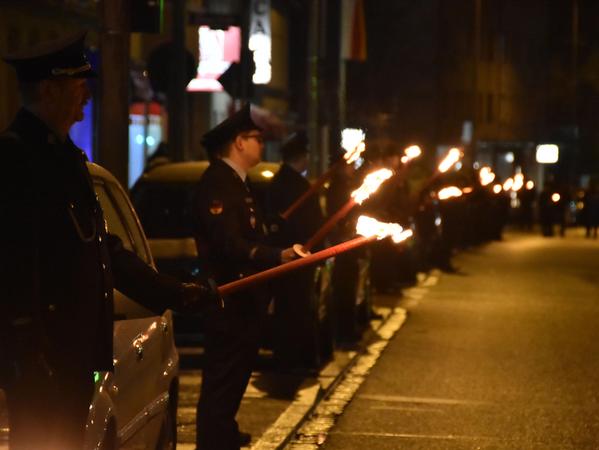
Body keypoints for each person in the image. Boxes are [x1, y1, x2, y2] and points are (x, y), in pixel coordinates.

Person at [0, 31, 220, 450]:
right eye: (78, 88)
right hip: (43, 365)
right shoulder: (16, 160)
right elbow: (12, 265)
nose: (85, 101)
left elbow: (104, 252)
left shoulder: (65, 160)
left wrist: (175, 293)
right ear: (49, 89)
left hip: (71, 362)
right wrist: (32, 354)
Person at [191, 104, 300, 450]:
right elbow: (229, 244)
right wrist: (274, 255)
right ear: (239, 142)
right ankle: (214, 440)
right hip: (229, 299)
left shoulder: (239, 183)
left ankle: (224, 432)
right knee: (223, 378)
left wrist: (273, 235)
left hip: (245, 302)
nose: (260, 144)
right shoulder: (218, 184)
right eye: (256, 138)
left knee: (236, 376)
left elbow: (250, 233)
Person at [266, 131, 326, 371]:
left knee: (285, 309)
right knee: (297, 310)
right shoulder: (300, 187)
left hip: (280, 256)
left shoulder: (276, 182)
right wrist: (318, 252)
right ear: (302, 157)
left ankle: (285, 357)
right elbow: (312, 223)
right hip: (298, 257)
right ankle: (293, 360)